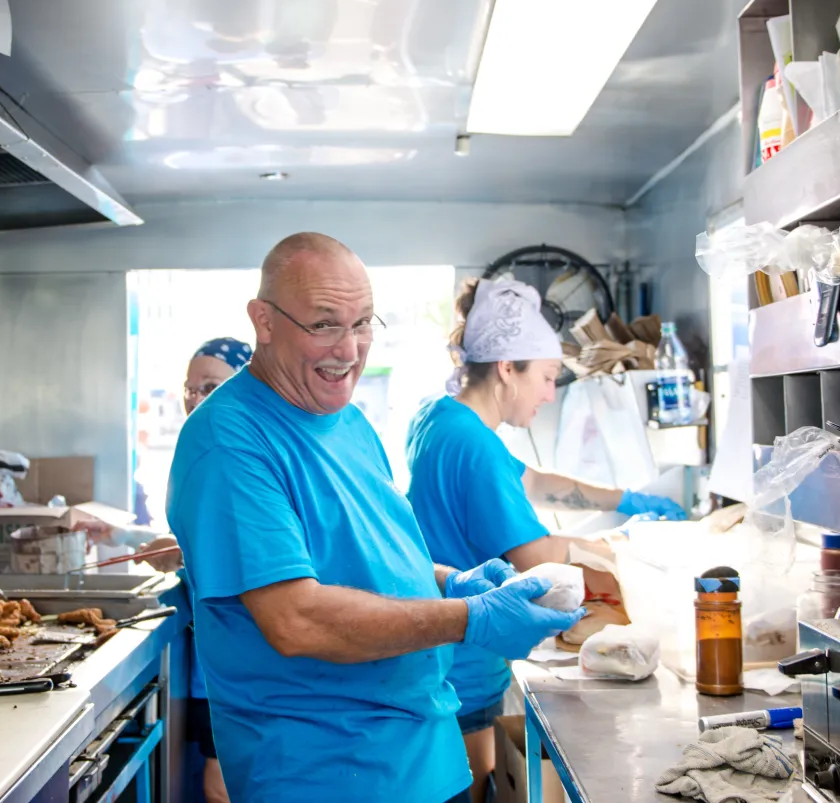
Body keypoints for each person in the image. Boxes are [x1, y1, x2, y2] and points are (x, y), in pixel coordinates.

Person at [166, 233, 586, 803]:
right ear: (262, 320)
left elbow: (376, 559)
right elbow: (296, 619)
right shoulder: (228, 442)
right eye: (324, 324)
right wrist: (468, 618)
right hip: (327, 774)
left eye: (363, 322)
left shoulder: (346, 419)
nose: (349, 348)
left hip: (419, 756)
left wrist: (451, 582)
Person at [405, 278, 686, 803]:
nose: (550, 393)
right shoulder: (473, 442)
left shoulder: (441, 418)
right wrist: (624, 546)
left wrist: (627, 498)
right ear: (507, 369)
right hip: (461, 662)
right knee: (472, 791)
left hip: (448, 651)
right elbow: (534, 557)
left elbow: (533, 481)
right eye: (548, 376)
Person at [128, 337, 254, 803]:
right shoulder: (208, 448)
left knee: (223, 788)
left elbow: (253, 552)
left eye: (210, 386)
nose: (195, 399)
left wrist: (184, 553)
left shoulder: (238, 453)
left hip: (243, 662)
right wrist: (182, 549)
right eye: (190, 388)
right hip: (216, 660)